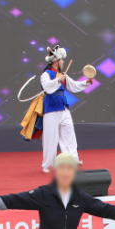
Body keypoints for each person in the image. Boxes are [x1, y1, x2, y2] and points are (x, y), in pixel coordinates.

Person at [40, 45, 92, 173]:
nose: (63, 61)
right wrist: (58, 80)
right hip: (51, 107)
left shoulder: (62, 75)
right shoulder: (46, 74)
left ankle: (73, 158)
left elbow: (73, 85)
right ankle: (47, 164)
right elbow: (47, 87)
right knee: (50, 136)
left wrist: (86, 82)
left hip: (63, 107)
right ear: (56, 61)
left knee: (69, 131)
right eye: (61, 59)